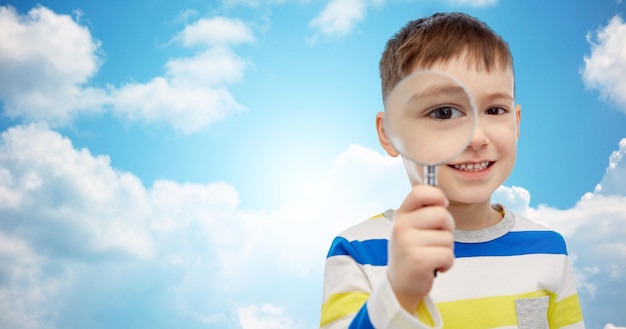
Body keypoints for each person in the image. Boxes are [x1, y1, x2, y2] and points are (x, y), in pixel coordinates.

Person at [319, 12, 585, 329]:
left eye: (495, 110)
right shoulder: (358, 251)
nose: (476, 137)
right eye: (444, 112)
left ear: (517, 123)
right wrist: (399, 293)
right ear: (389, 133)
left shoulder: (549, 247)